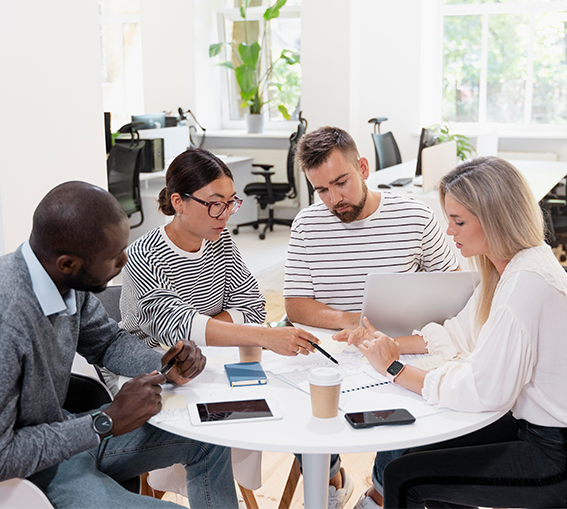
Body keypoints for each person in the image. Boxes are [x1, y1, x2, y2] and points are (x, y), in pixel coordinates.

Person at [343, 157, 567, 509]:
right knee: (414, 452)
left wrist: (396, 370)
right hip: (531, 427)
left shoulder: (526, 285)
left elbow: (485, 391)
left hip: (554, 454)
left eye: (458, 221)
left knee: (403, 477)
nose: (449, 231)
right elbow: (461, 334)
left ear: (495, 220)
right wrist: (387, 346)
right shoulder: (517, 266)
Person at [0, 181, 239, 509]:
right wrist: (105, 422)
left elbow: (107, 342)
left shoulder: (67, 279)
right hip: (27, 475)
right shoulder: (8, 317)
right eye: (114, 257)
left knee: (210, 436)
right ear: (68, 263)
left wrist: (163, 366)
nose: (125, 262)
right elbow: (3, 456)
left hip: (69, 434)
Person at [120, 148, 318, 356]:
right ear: (178, 202)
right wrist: (260, 336)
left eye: (230, 203)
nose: (225, 215)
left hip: (209, 356)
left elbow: (253, 308)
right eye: (215, 204)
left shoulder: (220, 241)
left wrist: (202, 331)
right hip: (148, 365)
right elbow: (174, 329)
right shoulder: (142, 255)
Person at [284, 126, 460, 331]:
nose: (334, 199)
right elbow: (295, 306)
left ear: (363, 169)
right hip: (333, 347)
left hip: (400, 343)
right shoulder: (305, 225)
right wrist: (355, 321)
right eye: (322, 190)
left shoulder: (417, 217)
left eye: (341, 183)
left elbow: (454, 289)